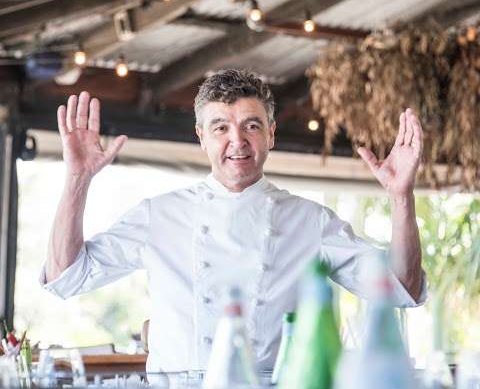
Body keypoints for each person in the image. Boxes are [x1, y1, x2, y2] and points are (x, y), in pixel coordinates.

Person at [42, 69, 425, 373]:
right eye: (221, 127)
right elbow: (67, 276)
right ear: (201, 137)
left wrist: (400, 197)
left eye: (252, 126)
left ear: (271, 134)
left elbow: (400, 289)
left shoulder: (310, 221)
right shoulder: (158, 215)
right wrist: (77, 177)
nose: (237, 141)